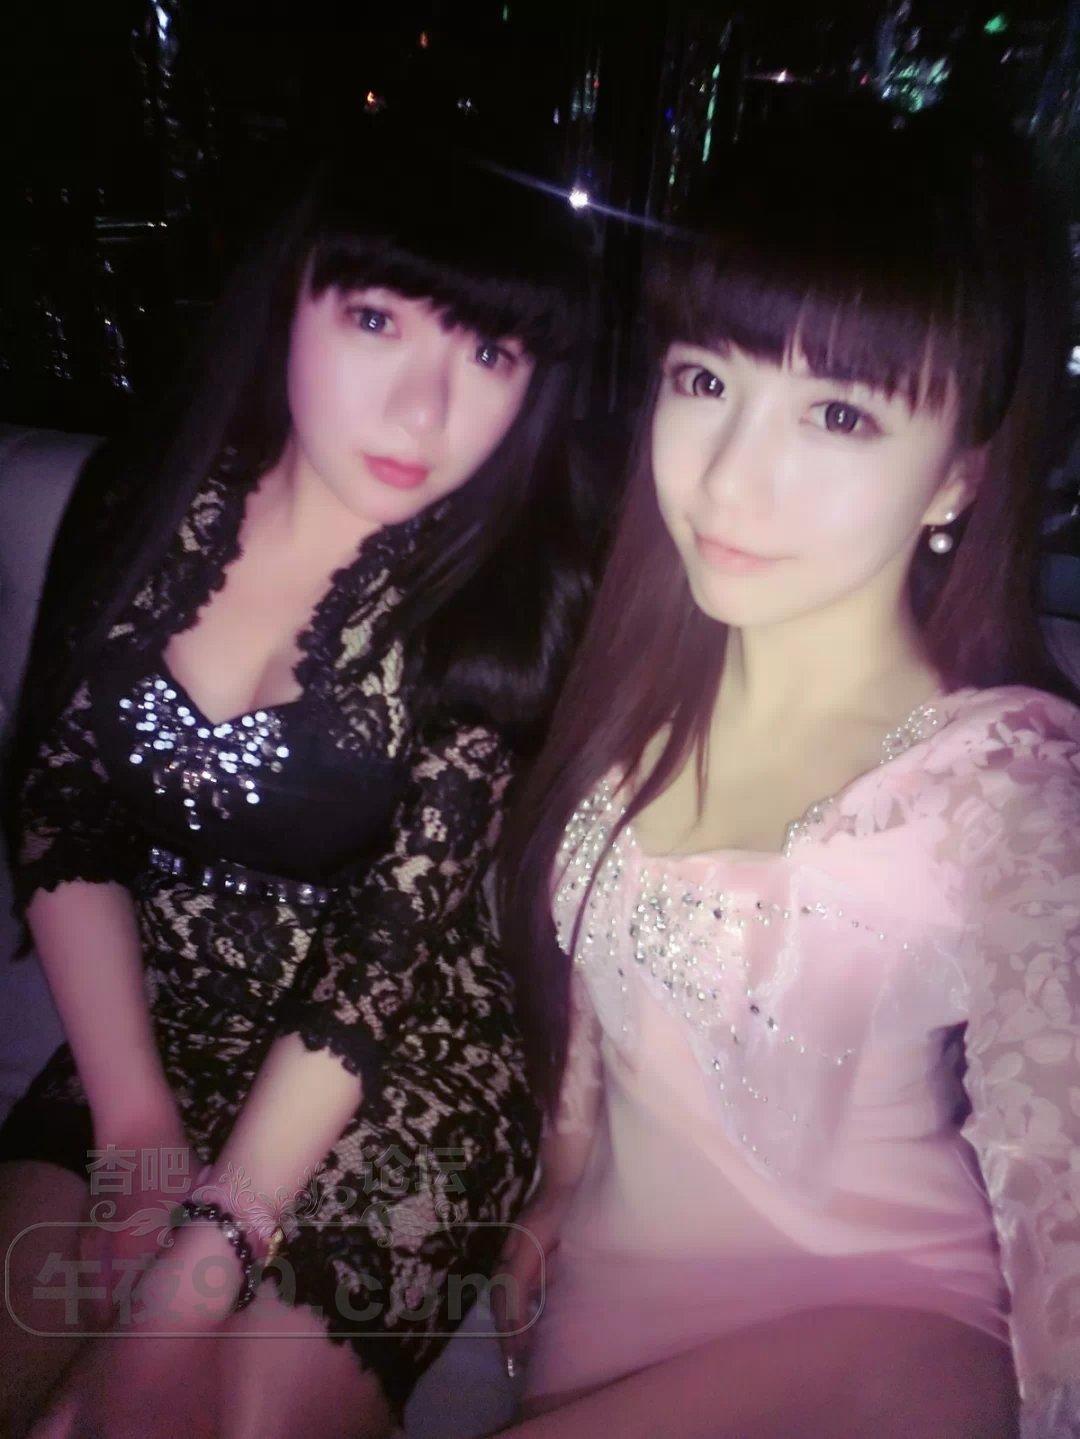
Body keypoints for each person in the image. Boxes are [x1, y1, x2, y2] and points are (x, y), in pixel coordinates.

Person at [495, 104, 1080, 1438]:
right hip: (608, 1302)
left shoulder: (1004, 790)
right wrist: (558, 1176)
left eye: (837, 413)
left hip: (882, 1331)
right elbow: (604, 994)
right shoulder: (640, 687)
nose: (729, 481)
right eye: (705, 382)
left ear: (959, 477)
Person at [0, 125, 594, 1439]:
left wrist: (201, 1265)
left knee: (193, 1416)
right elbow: (64, 811)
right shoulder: (139, 503)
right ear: (290, 300)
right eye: (378, 321)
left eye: (489, 354)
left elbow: (384, 950)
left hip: (408, 1056)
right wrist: (135, 1120)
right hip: (158, 1014)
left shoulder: (508, 597)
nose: (426, 411)